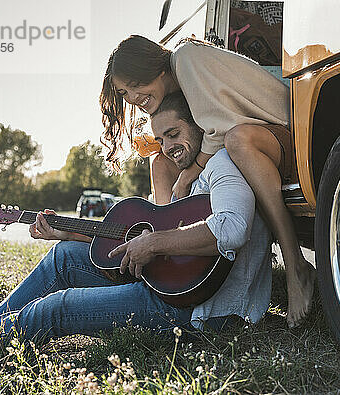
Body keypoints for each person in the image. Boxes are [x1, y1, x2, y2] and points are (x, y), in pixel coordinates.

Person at [0, 92, 272, 360]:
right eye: (161, 139)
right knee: (64, 256)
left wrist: (154, 244)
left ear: (199, 125)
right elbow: (147, 242)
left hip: (203, 312)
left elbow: (231, 229)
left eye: (175, 133)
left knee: (56, 308)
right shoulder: (184, 175)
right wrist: (69, 232)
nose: (169, 147)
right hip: (168, 287)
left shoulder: (223, 165)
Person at [100, 35, 314, 328]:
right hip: (259, 141)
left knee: (237, 141)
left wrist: (188, 176)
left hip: (293, 135)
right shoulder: (179, 88)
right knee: (160, 160)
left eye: (136, 85)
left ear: (156, 69)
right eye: (125, 93)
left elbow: (220, 131)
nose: (134, 98)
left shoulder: (185, 59)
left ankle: (295, 265)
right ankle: (167, 247)